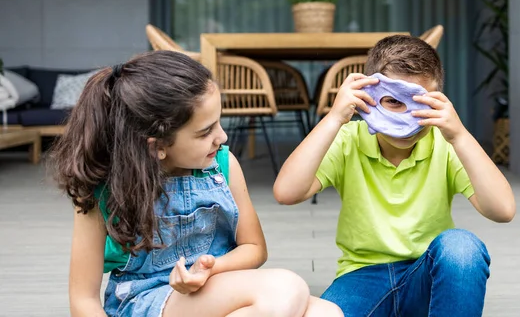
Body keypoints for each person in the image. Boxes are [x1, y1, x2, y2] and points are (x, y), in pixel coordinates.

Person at [50, 51, 342, 317]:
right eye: (205, 132)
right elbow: (83, 300)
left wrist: (209, 268)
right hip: (146, 302)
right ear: (157, 146)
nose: (222, 137)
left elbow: (254, 248)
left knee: (328, 313)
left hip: (215, 287)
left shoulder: (223, 166)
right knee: (285, 287)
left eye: (219, 122)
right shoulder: (103, 188)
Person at [273, 35, 516, 317]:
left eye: (419, 102)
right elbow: (286, 192)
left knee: (462, 247)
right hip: (362, 277)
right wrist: (334, 118)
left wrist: (459, 136)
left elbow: (503, 210)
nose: (406, 118)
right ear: (368, 97)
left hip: (427, 277)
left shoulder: (446, 144)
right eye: (393, 102)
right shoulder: (347, 139)